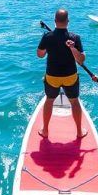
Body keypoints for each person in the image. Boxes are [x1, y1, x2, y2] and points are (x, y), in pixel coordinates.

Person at [36, 8, 87, 139]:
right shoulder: (75, 38)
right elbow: (81, 61)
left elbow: (40, 55)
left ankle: (45, 130)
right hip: (70, 76)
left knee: (49, 100)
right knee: (74, 102)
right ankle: (79, 132)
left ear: (55, 21)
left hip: (52, 77)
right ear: (68, 21)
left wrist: (48, 46)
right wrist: (72, 48)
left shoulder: (47, 37)